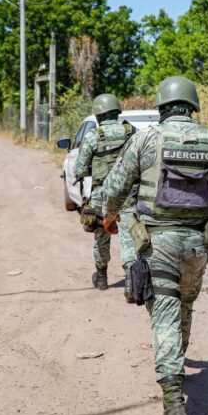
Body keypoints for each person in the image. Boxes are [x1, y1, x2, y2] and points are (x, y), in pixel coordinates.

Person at [100, 76, 208, 415]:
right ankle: (176, 369)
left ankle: (174, 403)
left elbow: (115, 188)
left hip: (158, 242)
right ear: (192, 106)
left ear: (162, 106)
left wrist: (109, 215)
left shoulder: (145, 138)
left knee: (163, 311)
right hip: (196, 243)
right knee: (185, 306)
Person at [74, 93, 138, 292]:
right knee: (129, 236)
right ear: (117, 112)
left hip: (101, 196)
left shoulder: (93, 136)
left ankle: (101, 277)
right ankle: (130, 281)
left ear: (99, 115)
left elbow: (80, 169)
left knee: (101, 236)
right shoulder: (131, 132)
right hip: (128, 195)